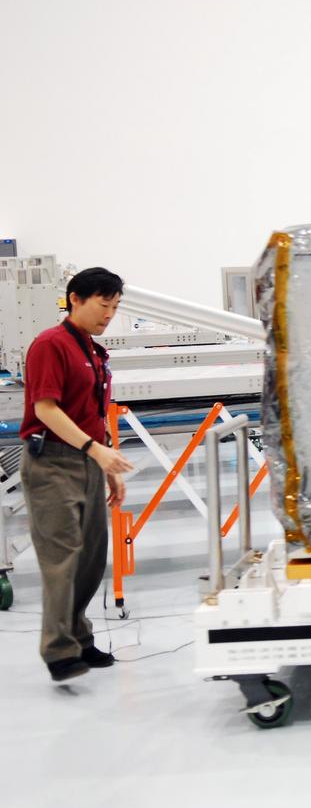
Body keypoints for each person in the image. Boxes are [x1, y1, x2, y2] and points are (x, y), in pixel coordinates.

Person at [20, 267, 134, 682]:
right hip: (52, 463)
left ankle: (80, 636)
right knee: (61, 558)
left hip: (88, 462)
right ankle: (58, 650)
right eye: (104, 305)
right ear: (75, 299)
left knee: (90, 558)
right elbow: (45, 409)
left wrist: (107, 466)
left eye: (116, 307)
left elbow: (93, 414)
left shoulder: (92, 350)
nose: (109, 314)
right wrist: (94, 451)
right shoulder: (50, 345)